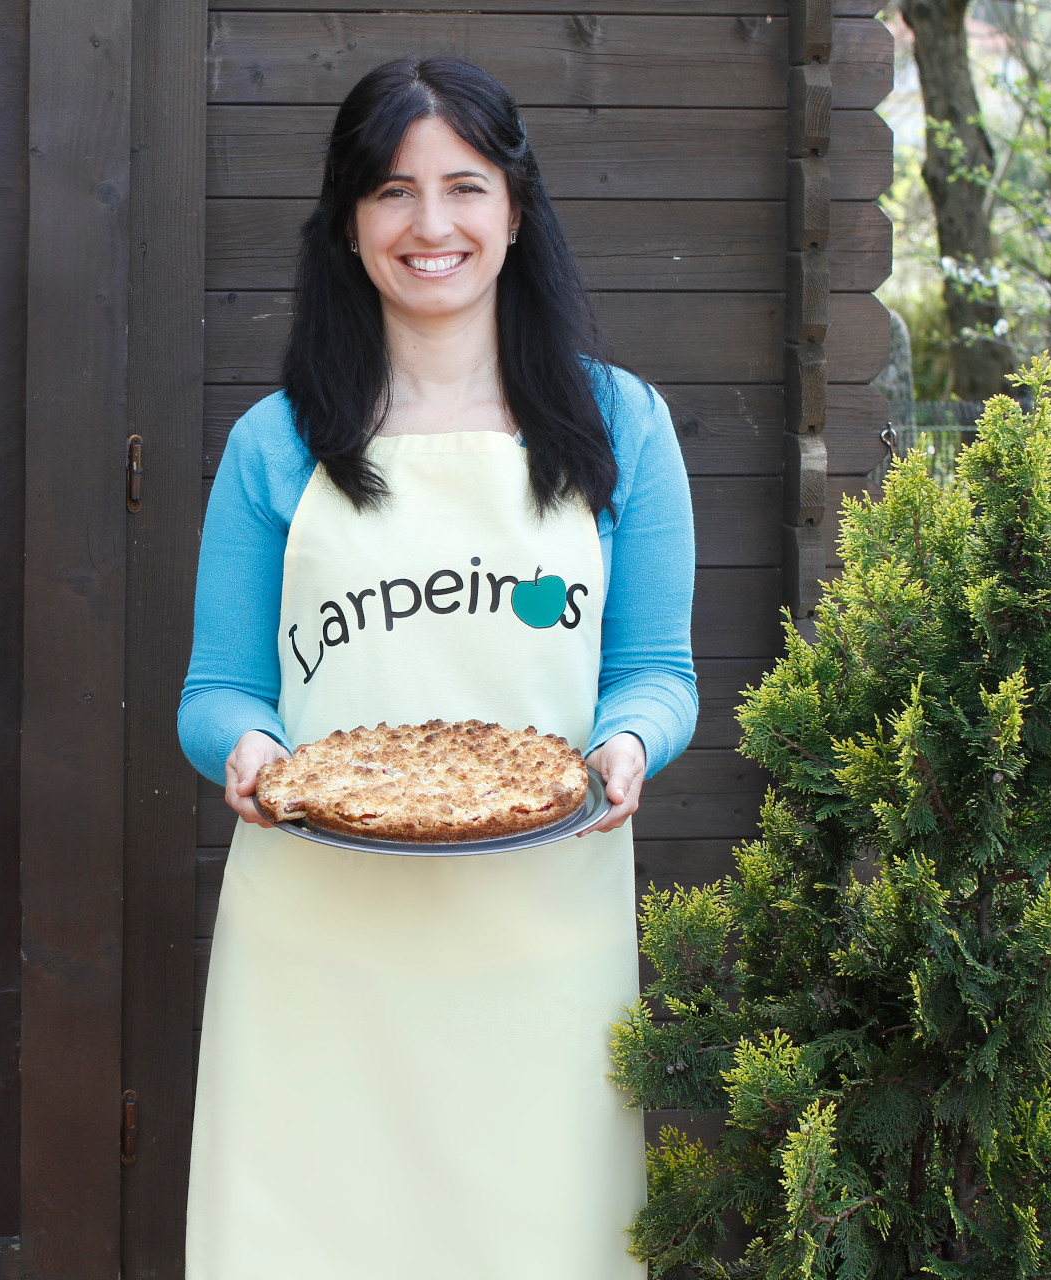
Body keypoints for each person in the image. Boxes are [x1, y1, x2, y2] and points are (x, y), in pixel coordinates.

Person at [177, 56, 698, 1278]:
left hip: (542, 940)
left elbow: (658, 670)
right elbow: (219, 690)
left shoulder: (621, 426)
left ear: (515, 209)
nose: (431, 225)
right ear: (350, 224)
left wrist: (627, 744)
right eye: (393, 192)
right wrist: (247, 751)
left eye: (464, 187)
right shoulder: (277, 443)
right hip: (319, 942)